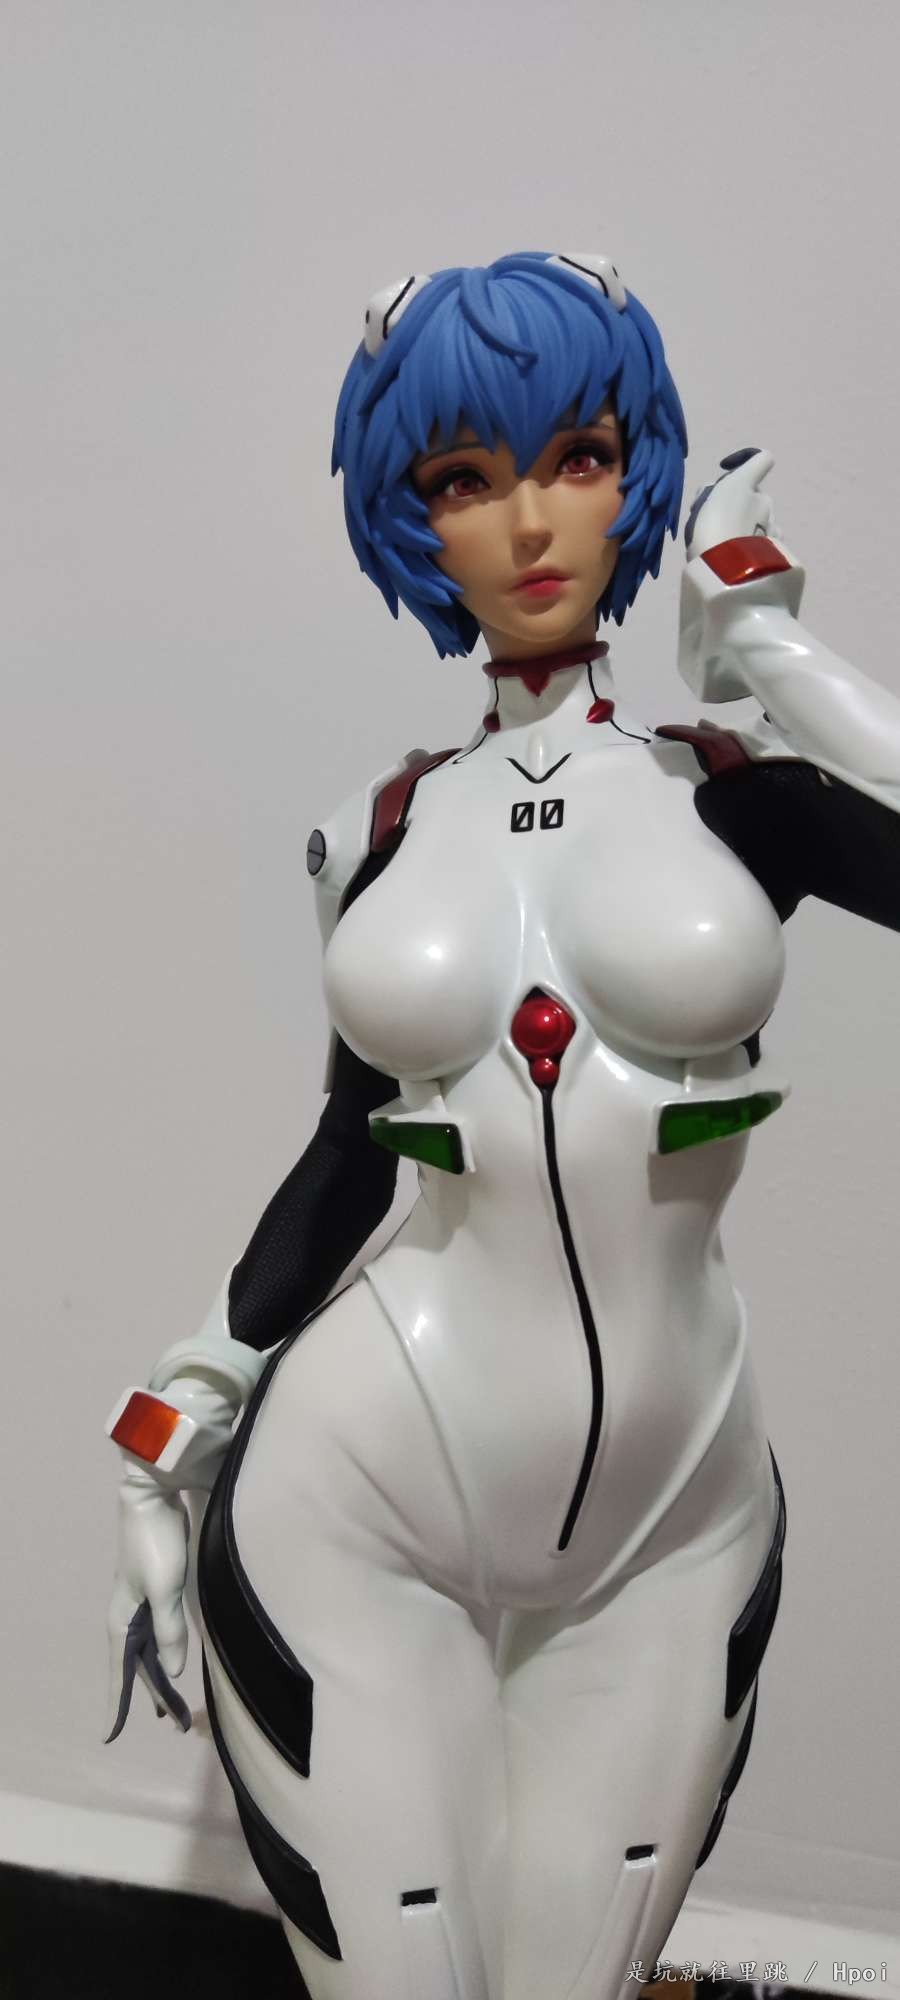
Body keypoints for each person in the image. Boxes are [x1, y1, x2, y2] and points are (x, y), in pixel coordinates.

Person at [104, 252, 900, 2000]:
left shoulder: (733, 796)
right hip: (363, 1490)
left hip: (676, 1512)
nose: (531, 523)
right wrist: (179, 1412)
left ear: (639, 477)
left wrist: (767, 639)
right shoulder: (380, 831)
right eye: (465, 479)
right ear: (412, 522)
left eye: (581, 457)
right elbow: (349, 1152)